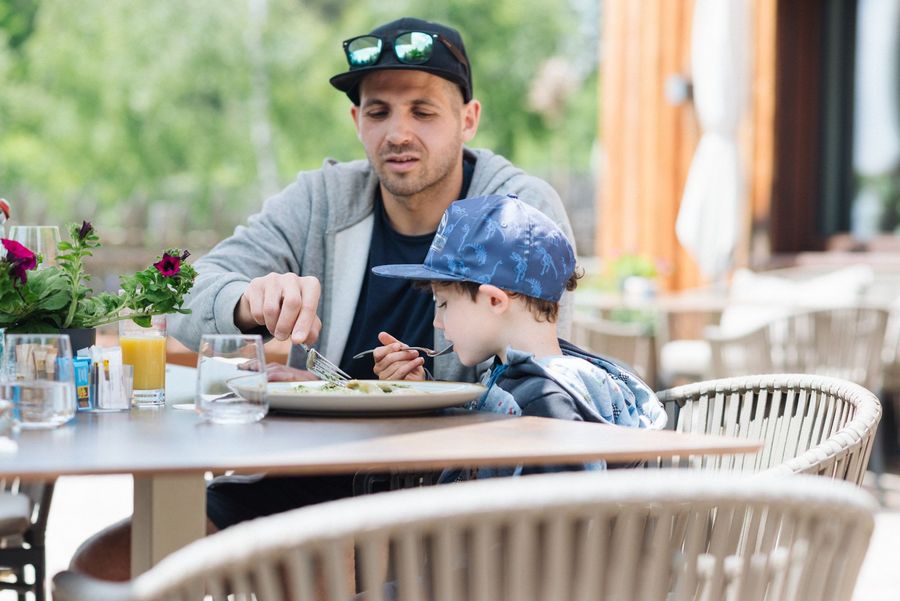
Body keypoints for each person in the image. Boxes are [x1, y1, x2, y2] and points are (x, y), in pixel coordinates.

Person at [70, 16, 575, 580]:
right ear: (357, 120)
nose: (398, 132)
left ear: (469, 119)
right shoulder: (322, 199)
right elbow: (178, 296)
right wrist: (248, 299)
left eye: (423, 111)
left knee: (316, 569)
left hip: (448, 495)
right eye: (379, 111)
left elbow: (539, 371)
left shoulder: (516, 210)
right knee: (98, 569)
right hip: (301, 476)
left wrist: (362, 392)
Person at [371, 194, 665, 482]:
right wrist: (423, 396)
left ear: (495, 301)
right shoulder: (536, 380)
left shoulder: (545, 404)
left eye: (444, 303)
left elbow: (560, 518)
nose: (437, 322)